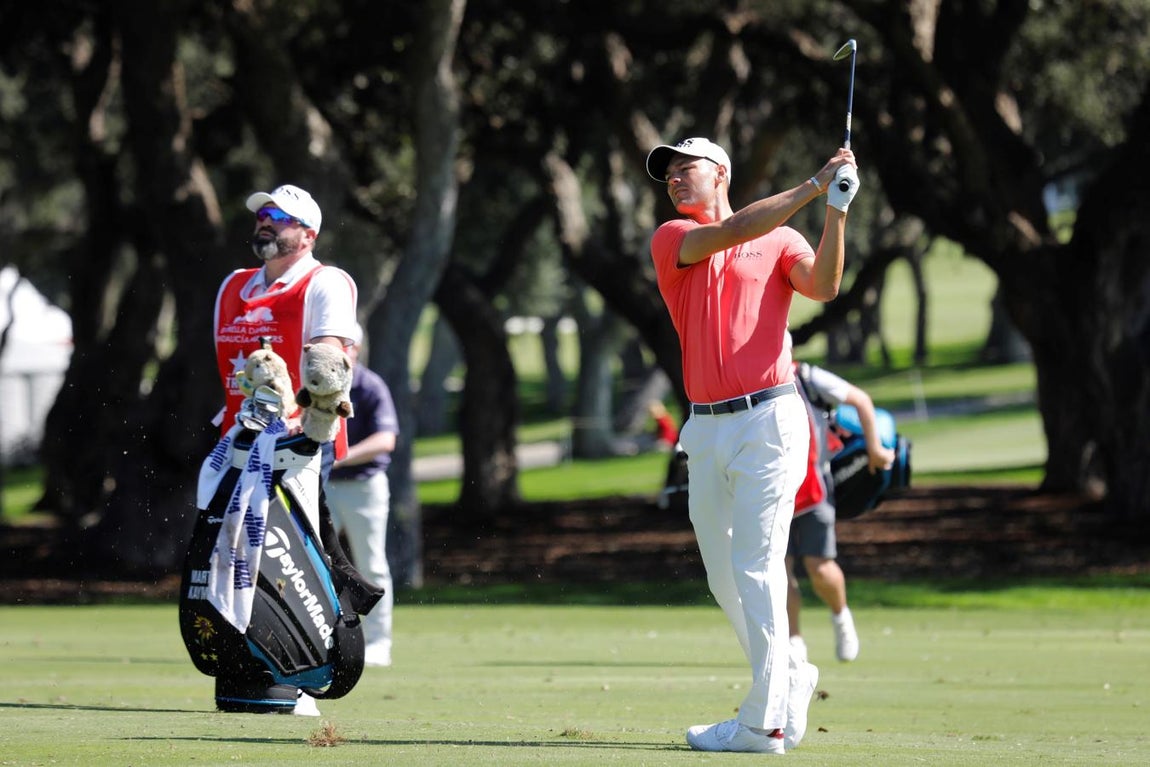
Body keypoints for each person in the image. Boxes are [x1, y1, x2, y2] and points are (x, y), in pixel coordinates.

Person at [645, 136, 859, 754]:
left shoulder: (782, 237)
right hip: (705, 428)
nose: (677, 182)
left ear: (722, 173)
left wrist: (836, 212)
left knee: (758, 564)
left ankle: (764, 723)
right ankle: (789, 674)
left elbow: (823, 286)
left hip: (770, 418)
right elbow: (732, 232)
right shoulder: (673, 239)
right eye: (670, 177)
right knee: (722, 574)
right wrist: (814, 187)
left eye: (688, 170)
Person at [211, 183, 359, 716]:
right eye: (261, 215)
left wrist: (315, 411)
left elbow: (332, 361)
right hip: (234, 448)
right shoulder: (233, 287)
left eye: (279, 216)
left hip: (299, 448)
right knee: (231, 564)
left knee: (288, 560)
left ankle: (299, 676)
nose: (265, 223)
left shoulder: (325, 283)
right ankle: (250, 671)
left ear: (309, 233)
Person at [788, 353, 894, 665]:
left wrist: (874, 449)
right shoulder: (747, 381)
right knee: (778, 571)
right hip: (768, 492)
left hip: (813, 487)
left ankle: (840, 617)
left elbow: (861, 400)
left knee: (819, 567)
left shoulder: (807, 377)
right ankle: (794, 642)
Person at [325, 324, 399, 668]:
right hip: (322, 485)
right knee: (315, 564)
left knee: (371, 565)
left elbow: (386, 440)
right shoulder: (318, 384)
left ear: (355, 349)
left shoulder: (369, 387)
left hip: (363, 486)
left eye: (345, 346)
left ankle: (379, 641)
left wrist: (341, 455)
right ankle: (319, 638)